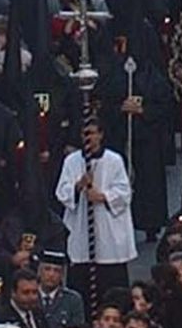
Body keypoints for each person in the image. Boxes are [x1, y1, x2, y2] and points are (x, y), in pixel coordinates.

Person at [55, 117, 136, 302]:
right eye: (84, 134)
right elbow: (61, 192)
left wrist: (102, 196)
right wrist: (78, 186)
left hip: (109, 234)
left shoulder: (114, 160)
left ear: (100, 135)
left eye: (91, 133)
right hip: (82, 233)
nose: (88, 138)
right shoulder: (72, 161)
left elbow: (124, 192)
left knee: (111, 290)